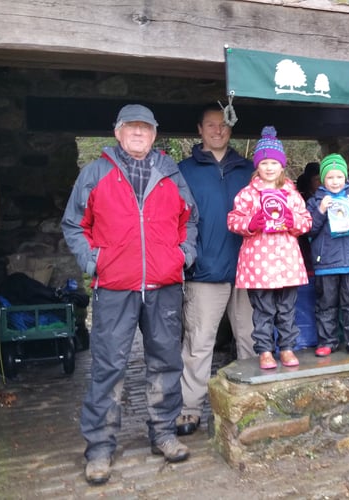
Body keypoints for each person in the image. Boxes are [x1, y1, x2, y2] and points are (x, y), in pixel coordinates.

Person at [61, 104, 198, 485]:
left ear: (154, 134)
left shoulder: (170, 173)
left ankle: (164, 433)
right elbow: (74, 223)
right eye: (131, 127)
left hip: (164, 284)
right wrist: (95, 261)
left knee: (165, 362)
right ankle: (100, 447)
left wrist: (182, 256)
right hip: (115, 286)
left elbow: (190, 220)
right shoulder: (95, 173)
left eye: (145, 128)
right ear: (118, 132)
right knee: (107, 366)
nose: (138, 133)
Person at [175, 103, 256, 437]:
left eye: (223, 125)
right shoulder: (182, 171)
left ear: (231, 129)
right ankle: (189, 409)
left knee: (251, 337)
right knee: (198, 342)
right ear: (199, 130)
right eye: (211, 125)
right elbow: (175, 220)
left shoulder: (249, 169)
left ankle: (253, 396)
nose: (218, 130)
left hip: (249, 268)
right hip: (205, 271)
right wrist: (189, 258)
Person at [227, 126, 312, 370]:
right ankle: (265, 351)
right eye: (264, 162)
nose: (269, 167)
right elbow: (233, 221)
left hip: (287, 264)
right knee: (262, 312)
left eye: (274, 162)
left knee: (286, 310)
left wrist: (291, 221)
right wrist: (251, 223)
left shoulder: (292, 194)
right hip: (258, 266)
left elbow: (306, 222)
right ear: (257, 166)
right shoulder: (247, 195)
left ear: (282, 166)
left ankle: (286, 348)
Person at [306, 153, 349, 357]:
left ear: (345, 177)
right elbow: (308, 229)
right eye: (330, 177)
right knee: (326, 305)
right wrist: (320, 210)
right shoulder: (315, 201)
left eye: (339, 177)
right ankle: (327, 342)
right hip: (326, 263)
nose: (335, 181)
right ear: (322, 179)